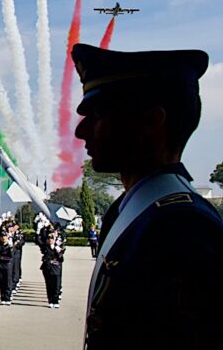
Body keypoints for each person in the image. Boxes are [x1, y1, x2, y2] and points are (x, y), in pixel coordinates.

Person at [72, 44, 223, 350]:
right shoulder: (132, 211)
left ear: (152, 121)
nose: (81, 131)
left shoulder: (183, 228)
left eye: (98, 114)